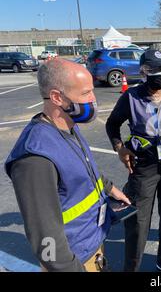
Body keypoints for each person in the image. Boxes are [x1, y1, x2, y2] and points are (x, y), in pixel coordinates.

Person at [4, 59, 131, 272]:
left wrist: (109, 187)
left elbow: (82, 168)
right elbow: (45, 240)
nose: (93, 99)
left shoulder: (67, 126)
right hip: (74, 262)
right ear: (57, 97)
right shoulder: (35, 157)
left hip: (92, 247)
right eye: (85, 94)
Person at [105, 49, 161, 272]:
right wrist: (120, 149)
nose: (159, 74)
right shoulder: (131, 97)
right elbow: (112, 124)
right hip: (143, 167)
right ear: (143, 71)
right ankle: (131, 268)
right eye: (153, 69)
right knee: (138, 223)